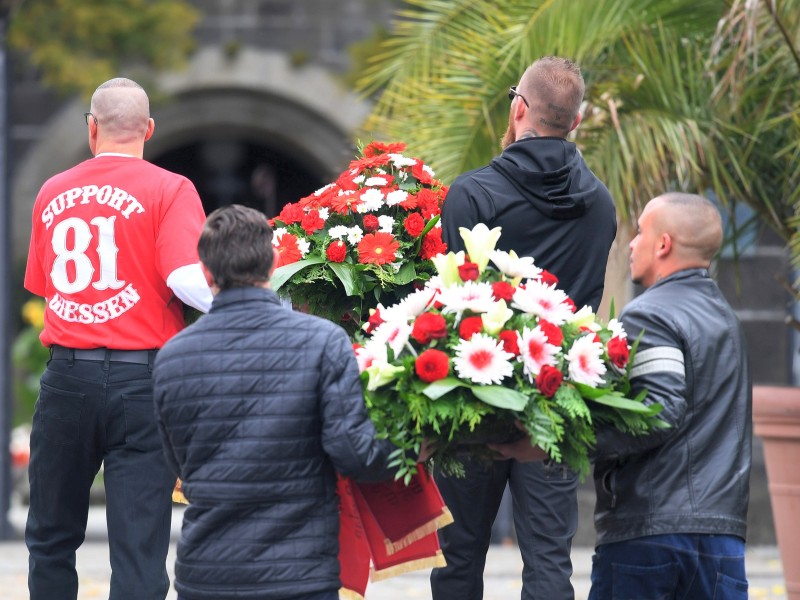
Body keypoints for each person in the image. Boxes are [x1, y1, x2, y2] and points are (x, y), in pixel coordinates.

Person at [494, 193, 752, 599]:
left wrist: (551, 442)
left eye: (641, 232)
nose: (630, 244)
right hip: (722, 539)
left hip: (650, 538)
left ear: (663, 244)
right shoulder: (726, 318)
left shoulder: (651, 314)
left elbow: (658, 412)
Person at [433, 56, 617, 600]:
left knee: (459, 557)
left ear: (519, 107)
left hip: (473, 394)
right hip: (554, 403)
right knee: (548, 563)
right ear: (576, 122)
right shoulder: (600, 205)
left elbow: (454, 303)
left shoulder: (472, 193)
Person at [23, 77, 212, 600]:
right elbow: (184, 278)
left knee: (50, 537)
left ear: (92, 129)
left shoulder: (51, 191)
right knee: (139, 546)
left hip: (66, 378)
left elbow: (45, 285)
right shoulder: (171, 189)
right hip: (143, 381)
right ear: (148, 129)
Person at [152, 204, 400, 600]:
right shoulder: (324, 342)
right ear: (273, 264)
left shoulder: (172, 357)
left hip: (207, 572)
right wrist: (413, 437)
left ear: (206, 272)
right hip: (299, 571)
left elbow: (179, 464)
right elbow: (356, 455)